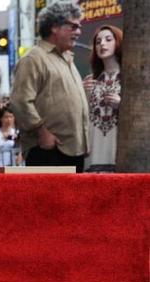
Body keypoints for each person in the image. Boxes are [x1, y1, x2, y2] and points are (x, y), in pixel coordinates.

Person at [11, 1, 89, 172]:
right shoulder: (34, 59)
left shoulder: (67, 58)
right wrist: (40, 130)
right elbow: (20, 101)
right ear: (54, 27)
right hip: (47, 150)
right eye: (73, 26)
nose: (78, 32)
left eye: (79, 27)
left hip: (72, 150)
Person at [82, 25, 122, 173]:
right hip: (94, 150)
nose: (102, 44)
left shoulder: (130, 81)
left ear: (118, 42)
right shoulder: (90, 81)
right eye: (98, 42)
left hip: (118, 148)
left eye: (108, 39)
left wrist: (121, 105)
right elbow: (83, 116)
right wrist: (81, 92)